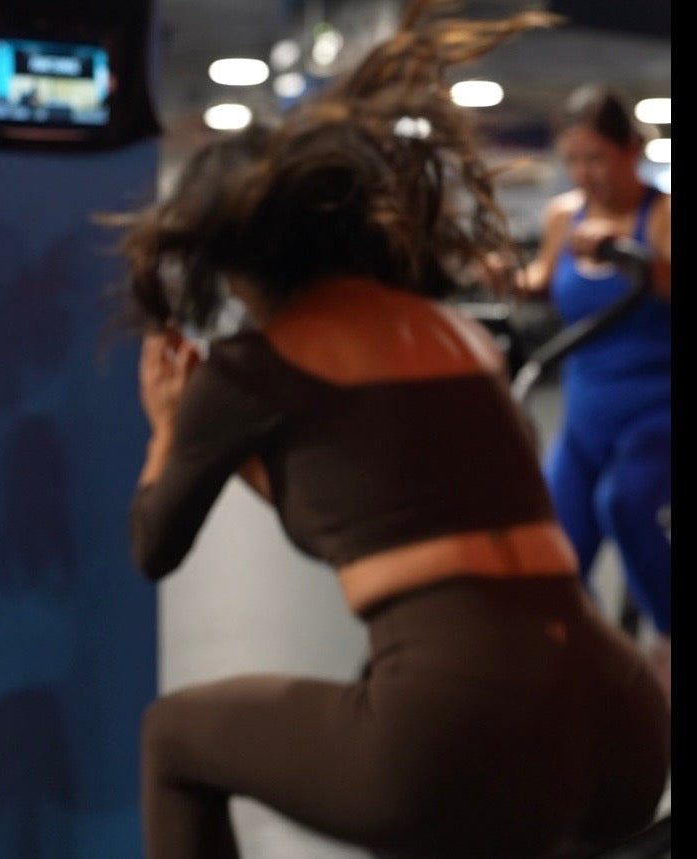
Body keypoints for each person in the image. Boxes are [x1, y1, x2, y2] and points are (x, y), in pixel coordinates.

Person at [109, 3, 670, 856]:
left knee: (173, 738)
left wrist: (166, 431)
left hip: (458, 720)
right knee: (439, 769)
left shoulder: (251, 366)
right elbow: (367, 506)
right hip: (625, 724)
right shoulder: (454, 334)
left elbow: (154, 544)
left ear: (240, 262)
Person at [502, 83, 672, 703]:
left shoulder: (662, 214)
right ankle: (601, 660)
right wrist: (499, 276)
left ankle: (668, 643)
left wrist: (633, 257)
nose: (584, 173)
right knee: (554, 549)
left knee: (624, 504)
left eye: (596, 157)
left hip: (656, 413)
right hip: (587, 414)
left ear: (630, 150)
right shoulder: (561, 216)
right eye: (574, 160)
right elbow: (542, 282)